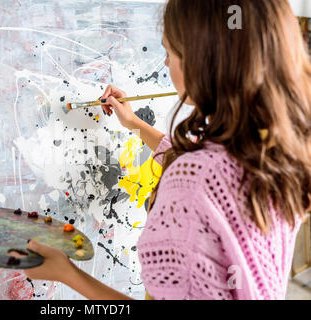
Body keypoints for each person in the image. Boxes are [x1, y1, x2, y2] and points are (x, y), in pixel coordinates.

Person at [24, 0, 311, 299]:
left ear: (203, 62)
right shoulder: (272, 149)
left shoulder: (194, 181)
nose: (165, 64)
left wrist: (67, 274)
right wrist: (133, 122)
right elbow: (196, 160)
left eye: (170, 52)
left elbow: (198, 175)